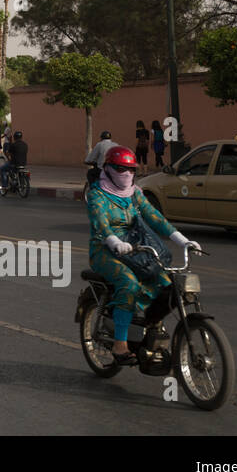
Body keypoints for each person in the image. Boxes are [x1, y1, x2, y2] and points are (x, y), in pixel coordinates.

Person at [86, 146, 200, 365]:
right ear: (108, 169)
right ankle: (120, 345)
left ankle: (150, 323)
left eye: (130, 169)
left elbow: (155, 217)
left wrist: (182, 240)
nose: (126, 174)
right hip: (105, 251)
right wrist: (114, 241)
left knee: (168, 284)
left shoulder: (135, 194)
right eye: (121, 169)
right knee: (128, 283)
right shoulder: (97, 194)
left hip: (138, 249)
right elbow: (99, 222)